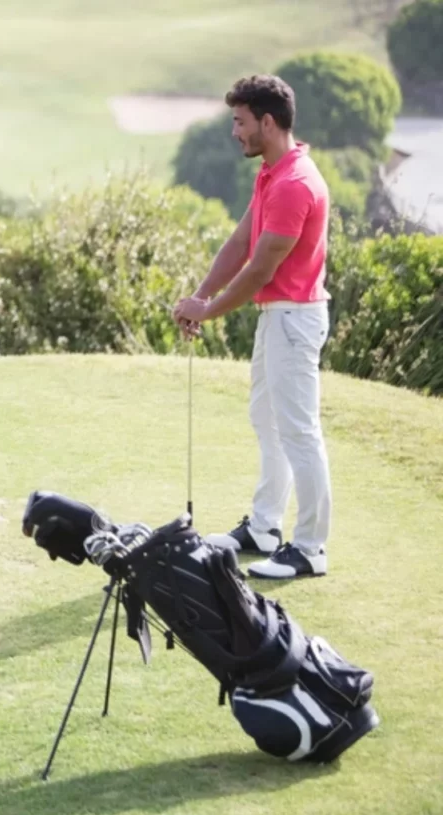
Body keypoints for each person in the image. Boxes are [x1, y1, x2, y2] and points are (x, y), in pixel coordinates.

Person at [173, 74, 334, 580]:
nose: (235, 132)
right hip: (277, 317)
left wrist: (209, 311)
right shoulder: (271, 173)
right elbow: (241, 244)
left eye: (240, 123)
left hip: (294, 317)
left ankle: (310, 548)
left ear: (267, 122)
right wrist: (200, 296)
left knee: (300, 433)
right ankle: (266, 527)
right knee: (269, 424)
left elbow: (261, 269)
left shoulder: (294, 183)